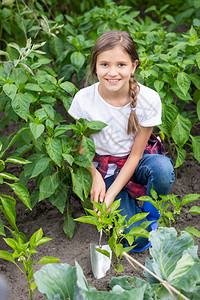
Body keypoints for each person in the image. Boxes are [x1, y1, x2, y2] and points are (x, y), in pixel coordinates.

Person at [68, 30, 175, 251]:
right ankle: (129, 210)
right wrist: (94, 176)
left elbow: (136, 155)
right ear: (95, 67)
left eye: (121, 65)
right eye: (105, 64)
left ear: (134, 66)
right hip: (103, 167)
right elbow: (82, 149)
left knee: (162, 169)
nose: (112, 72)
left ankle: (151, 213)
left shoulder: (148, 99)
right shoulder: (85, 100)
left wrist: (111, 195)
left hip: (134, 163)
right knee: (139, 241)